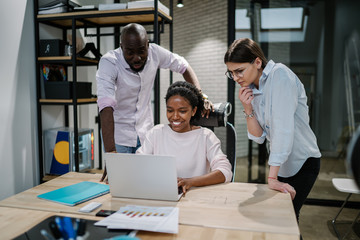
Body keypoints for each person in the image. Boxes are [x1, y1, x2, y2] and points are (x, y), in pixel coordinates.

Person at [96, 23, 212, 181]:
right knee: (119, 184)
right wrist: (111, 153)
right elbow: (106, 106)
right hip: (119, 137)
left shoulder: (155, 52)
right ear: (121, 47)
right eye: (130, 52)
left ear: (147, 45)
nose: (136, 58)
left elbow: (184, 66)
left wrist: (201, 96)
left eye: (141, 51)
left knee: (147, 182)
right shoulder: (109, 63)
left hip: (145, 133)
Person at [224, 38, 321, 221]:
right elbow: (259, 136)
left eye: (239, 71)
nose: (236, 78)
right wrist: (247, 108)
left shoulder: (280, 76)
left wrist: (272, 178)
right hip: (282, 166)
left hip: (303, 161)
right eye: (231, 73)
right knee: (286, 219)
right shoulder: (254, 87)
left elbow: (283, 130)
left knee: (285, 220)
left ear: (258, 62)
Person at [136, 81, 233, 195]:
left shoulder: (205, 137)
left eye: (182, 111)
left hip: (196, 197)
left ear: (193, 111)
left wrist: (190, 182)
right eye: (170, 110)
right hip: (161, 195)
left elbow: (225, 172)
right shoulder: (156, 133)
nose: (175, 117)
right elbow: (138, 165)